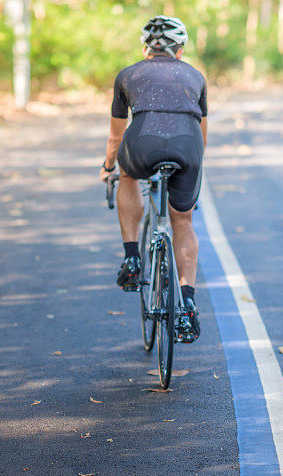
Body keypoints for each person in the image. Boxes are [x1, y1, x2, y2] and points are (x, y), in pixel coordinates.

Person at [99, 15, 208, 343]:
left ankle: (132, 256)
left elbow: (116, 140)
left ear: (146, 49)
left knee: (128, 175)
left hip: (142, 145)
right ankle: (187, 304)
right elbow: (202, 138)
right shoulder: (196, 76)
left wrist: (108, 168)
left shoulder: (128, 74)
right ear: (181, 49)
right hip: (188, 148)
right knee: (184, 221)